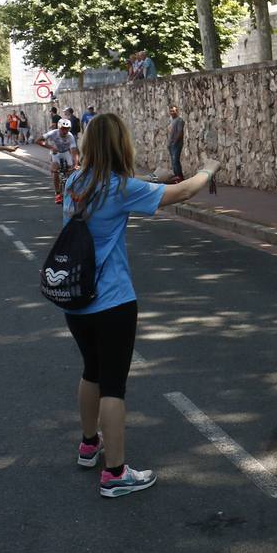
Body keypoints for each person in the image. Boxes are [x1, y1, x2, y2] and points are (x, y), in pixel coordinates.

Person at [60, 112, 220, 498]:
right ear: (121, 145)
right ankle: (116, 473)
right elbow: (184, 193)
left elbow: (121, 192)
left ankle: (89, 445)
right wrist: (208, 168)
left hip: (76, 299)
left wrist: (154, 178)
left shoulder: (74, 182)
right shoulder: (120, 188)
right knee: (113, 385)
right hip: (112, 302)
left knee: (91, 371)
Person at [37, 118, 80, 203]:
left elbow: (74, 151)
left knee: (72, 169)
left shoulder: (70, 136)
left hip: (66, 152)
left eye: (67, 129)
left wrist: (76, 164)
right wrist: (51, 147)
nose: (65, 131)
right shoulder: (53, 133)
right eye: (63, 129)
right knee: (55, 170)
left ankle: (72, 190)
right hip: (55, 153)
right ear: (59, 128)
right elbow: (38, 140)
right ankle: (58, 194)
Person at [166, 104, 185, 181]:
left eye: (174, 111)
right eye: (171, 111)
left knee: (175, 160)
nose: (172, 112)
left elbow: (180, 132)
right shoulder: (171, 121)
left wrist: (175, 141)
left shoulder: (180, 120)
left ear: (177, 111)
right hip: (170, 145)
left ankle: (180, 177)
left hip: (176, 144)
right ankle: (176, 177)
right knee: (173, 161)